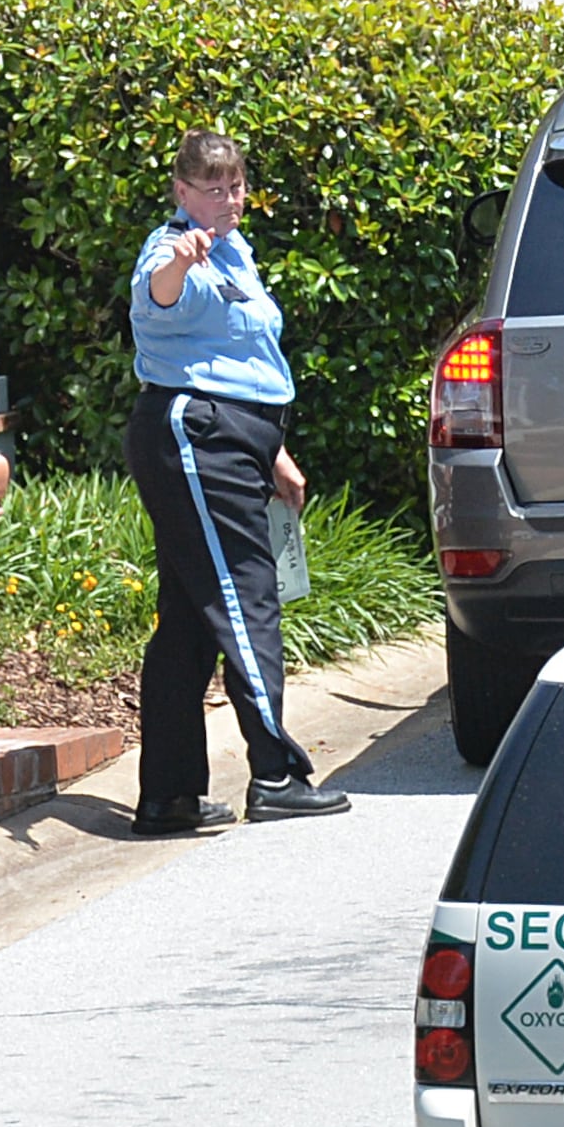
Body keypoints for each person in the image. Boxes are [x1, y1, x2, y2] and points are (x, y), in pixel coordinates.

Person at [125, 129, 348, 836]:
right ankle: (277, 773)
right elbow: (157, 300)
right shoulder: (173, 250)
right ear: (181, 191)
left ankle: (169, 795)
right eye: (211, 187)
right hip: (196, 436)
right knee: (245, 595)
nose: (227, 199)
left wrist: (273, 451)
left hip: (233, 437)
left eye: (236, 186)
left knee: (190, 621)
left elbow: (244, 354)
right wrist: (180, 260)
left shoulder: (235, 251)